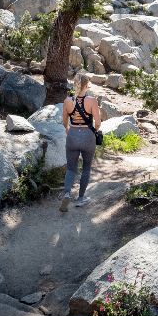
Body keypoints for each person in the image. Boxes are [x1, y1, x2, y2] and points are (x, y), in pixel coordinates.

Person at [60, 71, 101, 212]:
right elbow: (98, 123)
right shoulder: (92, 100)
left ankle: (66, 193)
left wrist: (67, 129)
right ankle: (80, 198)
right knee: (86, 167)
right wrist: (93, 131)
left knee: (71, 168)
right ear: (86, 85)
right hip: (87, 136)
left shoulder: (67, 101)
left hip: (72, 135)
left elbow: (64, 121)